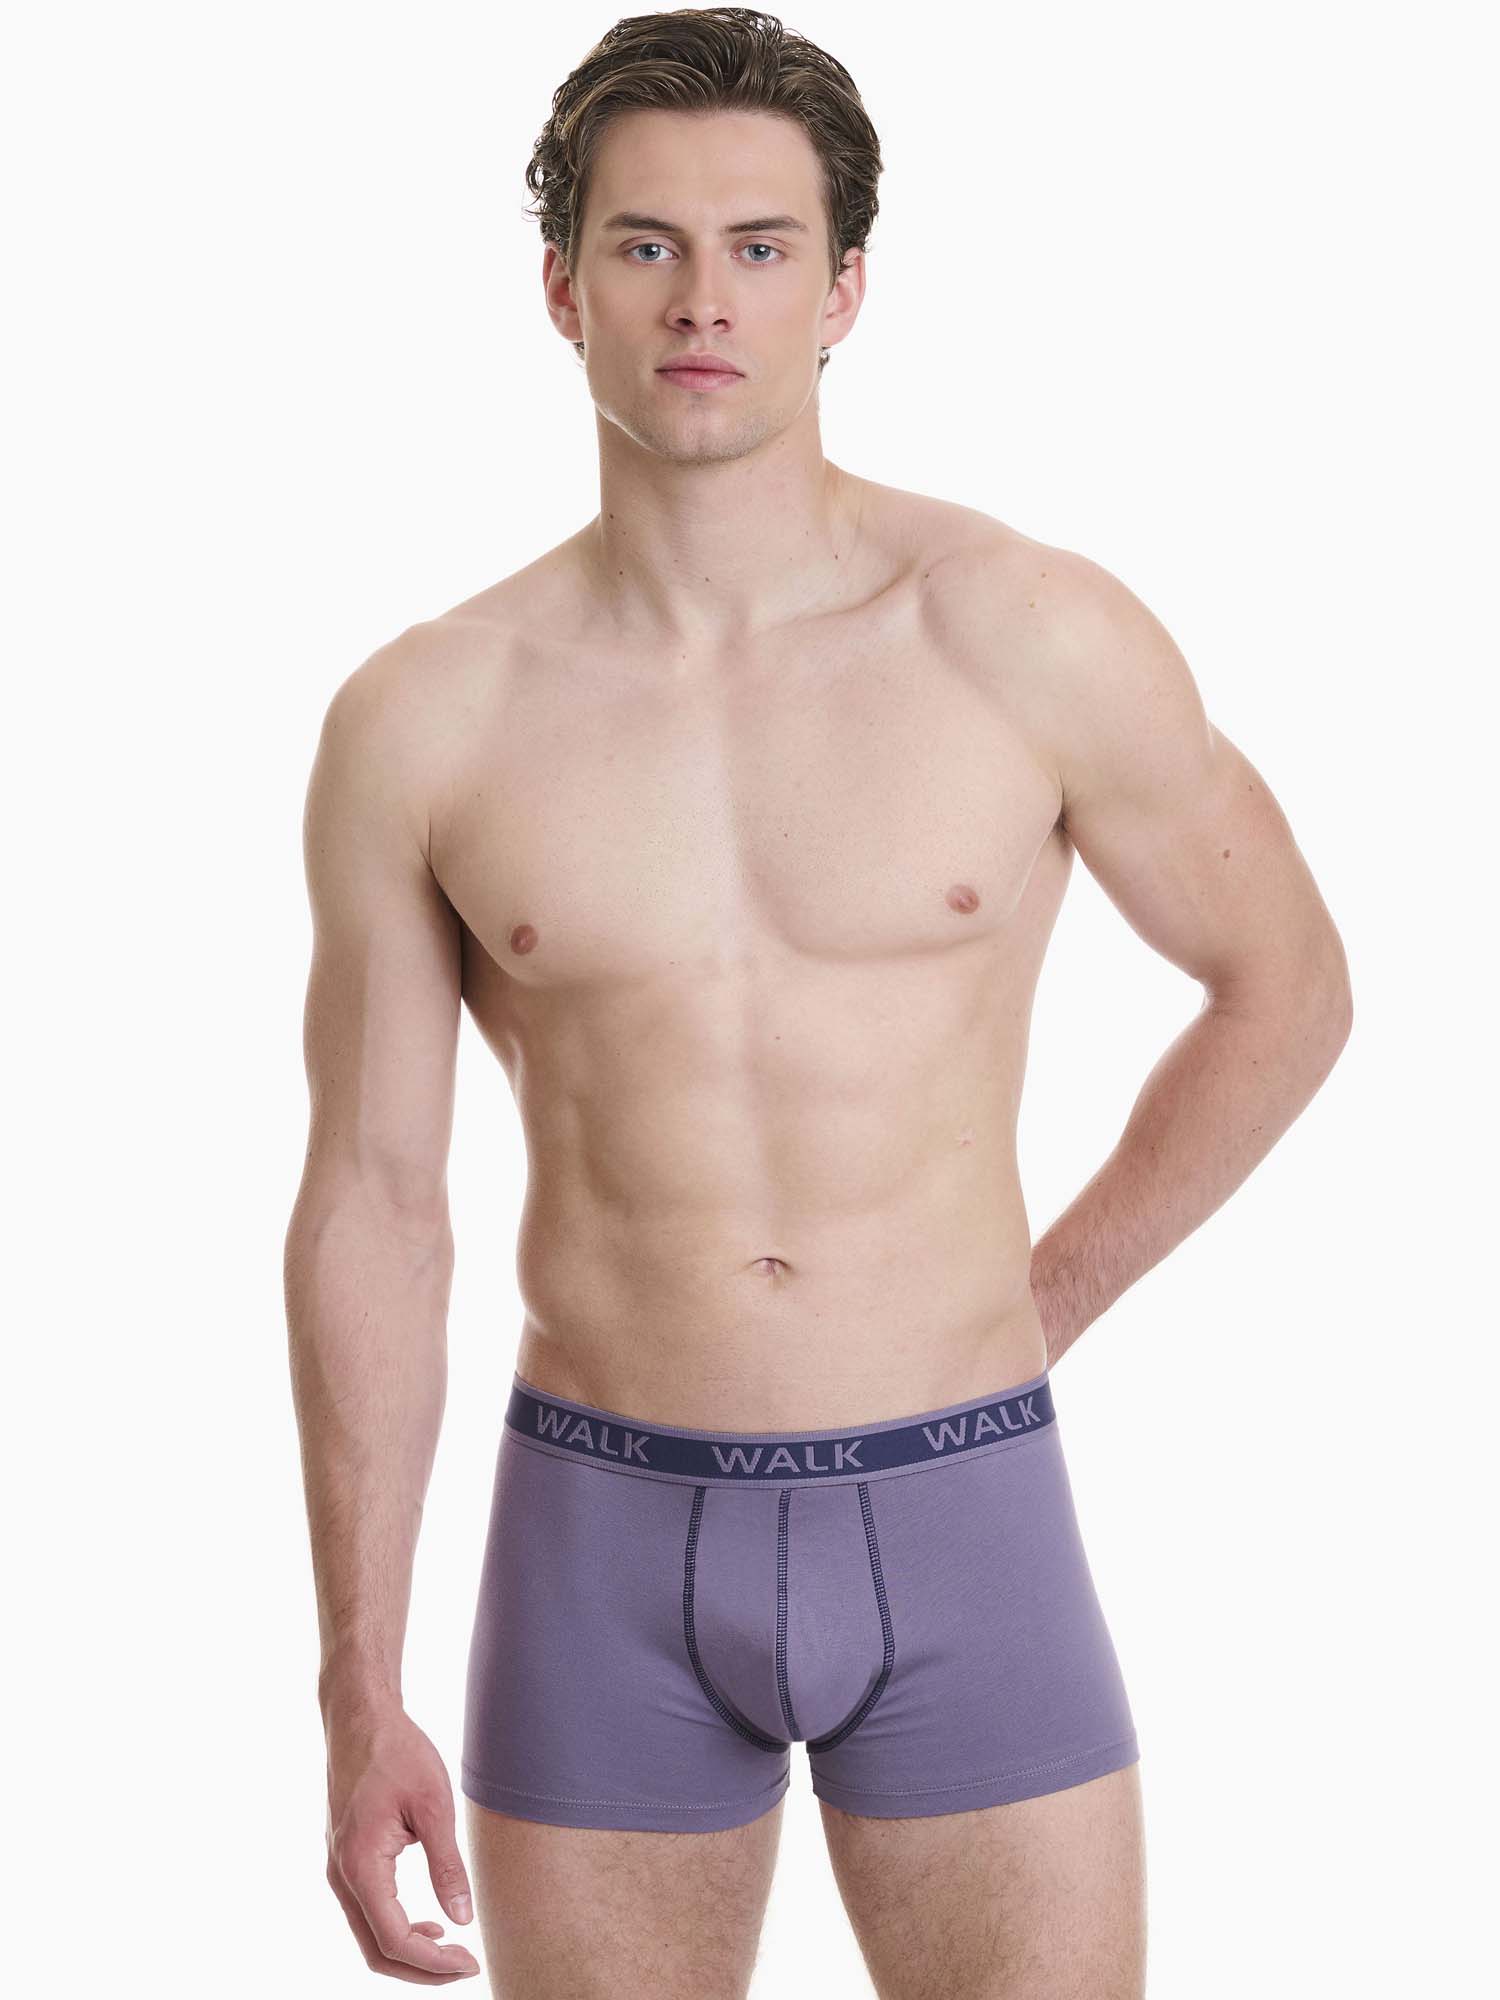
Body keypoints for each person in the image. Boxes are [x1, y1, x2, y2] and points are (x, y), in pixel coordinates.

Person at [284, 9, 1352, 1995]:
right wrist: (359, 1686)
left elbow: (1283, 988)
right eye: (647, 244)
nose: (705, 299)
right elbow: (374, 1200)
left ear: (845, 288)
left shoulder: (1026, 634)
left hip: (967, 1508)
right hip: (603, 1540)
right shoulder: (429, 718)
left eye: (761, 247)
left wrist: (1043, 1301)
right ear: (562, 286)